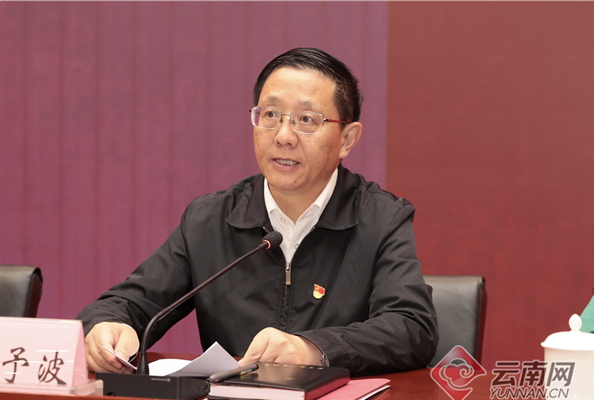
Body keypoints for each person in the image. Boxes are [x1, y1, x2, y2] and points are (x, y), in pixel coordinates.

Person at [77, 47, 438, 376]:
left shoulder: (381, 220)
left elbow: (412, 328)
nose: (283, 136)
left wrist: (312, 349)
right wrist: (107, 327)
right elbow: (127, 303)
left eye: (307, 120)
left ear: (347, 139)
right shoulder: (210, 220)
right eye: (270, 115)